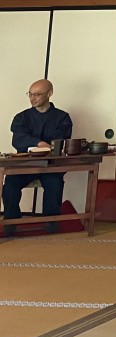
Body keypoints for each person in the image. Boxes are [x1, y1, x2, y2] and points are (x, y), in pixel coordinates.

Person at [3, 79, 73, 237]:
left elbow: (61, 141)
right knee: (10, 184)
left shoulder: (62, 117)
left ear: (49, 94)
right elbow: (18, 140)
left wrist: (47, 147)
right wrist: (38, 143)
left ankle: (51, 220)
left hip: (50, 164)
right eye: (30, 94)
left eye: (37, 94)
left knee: (54, 182)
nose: (32, 98)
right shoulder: (22, 117)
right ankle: (11, 220)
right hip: (25, 163)